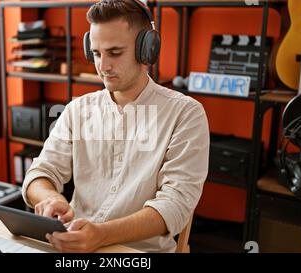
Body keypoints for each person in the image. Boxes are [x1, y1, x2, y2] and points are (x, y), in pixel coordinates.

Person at [21, 0, 209, 253]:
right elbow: (40, 173)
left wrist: (101, 235)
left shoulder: (186, 114)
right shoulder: (78, 109)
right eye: (97, 54)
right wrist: (50, 198)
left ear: (147, 51)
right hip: (74, 246)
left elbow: (174, 204)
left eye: (115, 53)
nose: (103, 66)